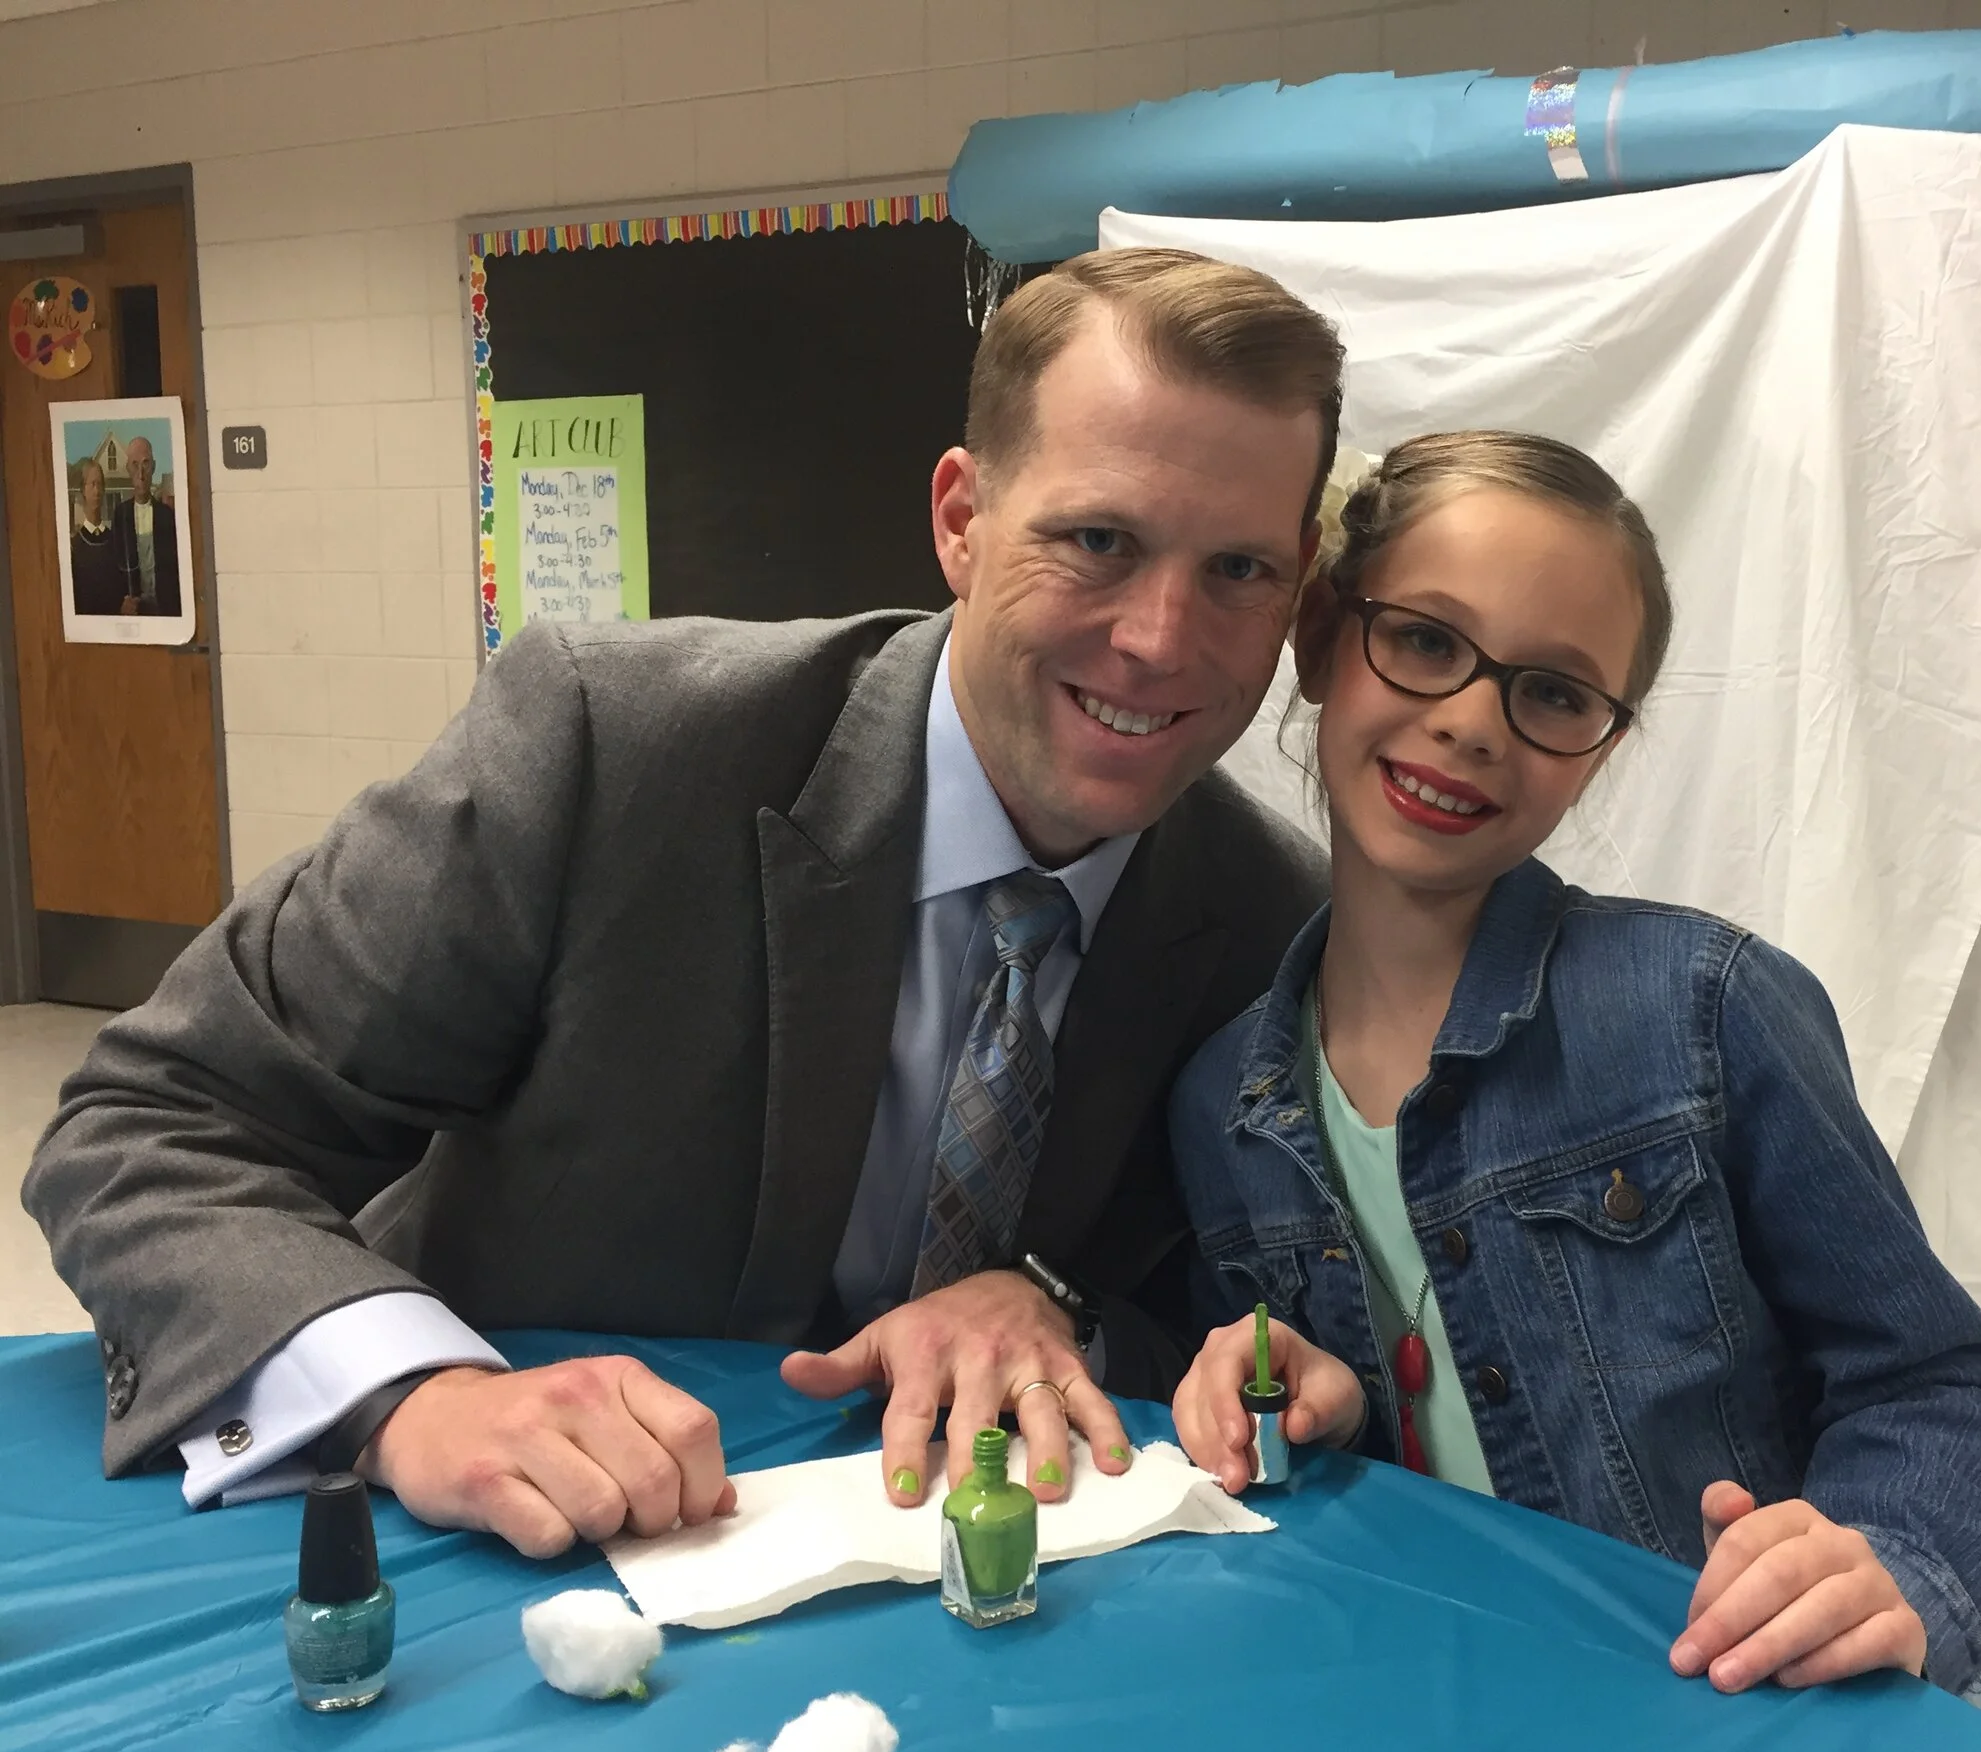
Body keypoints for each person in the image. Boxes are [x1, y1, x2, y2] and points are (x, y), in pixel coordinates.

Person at [28, 249, 1339, 1562]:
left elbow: (1221, 1308)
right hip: (506, 1558)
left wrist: (1053, 1304)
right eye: (1098, 541)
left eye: (1238, 570)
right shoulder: (615, 751)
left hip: (976, 1584)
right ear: (960, 519)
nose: (1161, 639)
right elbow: (154, 1122)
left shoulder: (1273, 923)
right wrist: (415, 1399)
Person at [1165, 432, 1981, 1752]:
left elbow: (1934, 1381)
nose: (1473, 720)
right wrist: (1299, 1400)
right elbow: (1348, 1457)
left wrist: (1889, 1558)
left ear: (1598, 748)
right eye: (1424, 641)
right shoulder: (1220, 1105)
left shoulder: (1706, 1009)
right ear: (1319, 639)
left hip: (1763, 1698)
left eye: (1553, 692)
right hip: (1463, 1709)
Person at [108, 433, 180, 615]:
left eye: (145, 464)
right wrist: (122, 602)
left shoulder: (167, 516)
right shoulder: (121, 515)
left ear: (153, 467)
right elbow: (114, 567)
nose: (140, 474)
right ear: (128, 469)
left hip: (165, 609)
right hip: (135, 611)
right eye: (135, 465)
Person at [66, 455, 123, 615]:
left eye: (100, 484)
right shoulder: (75, 546)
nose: (97, 491)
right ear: (83, 490)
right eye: (92, 484)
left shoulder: (114, 541)